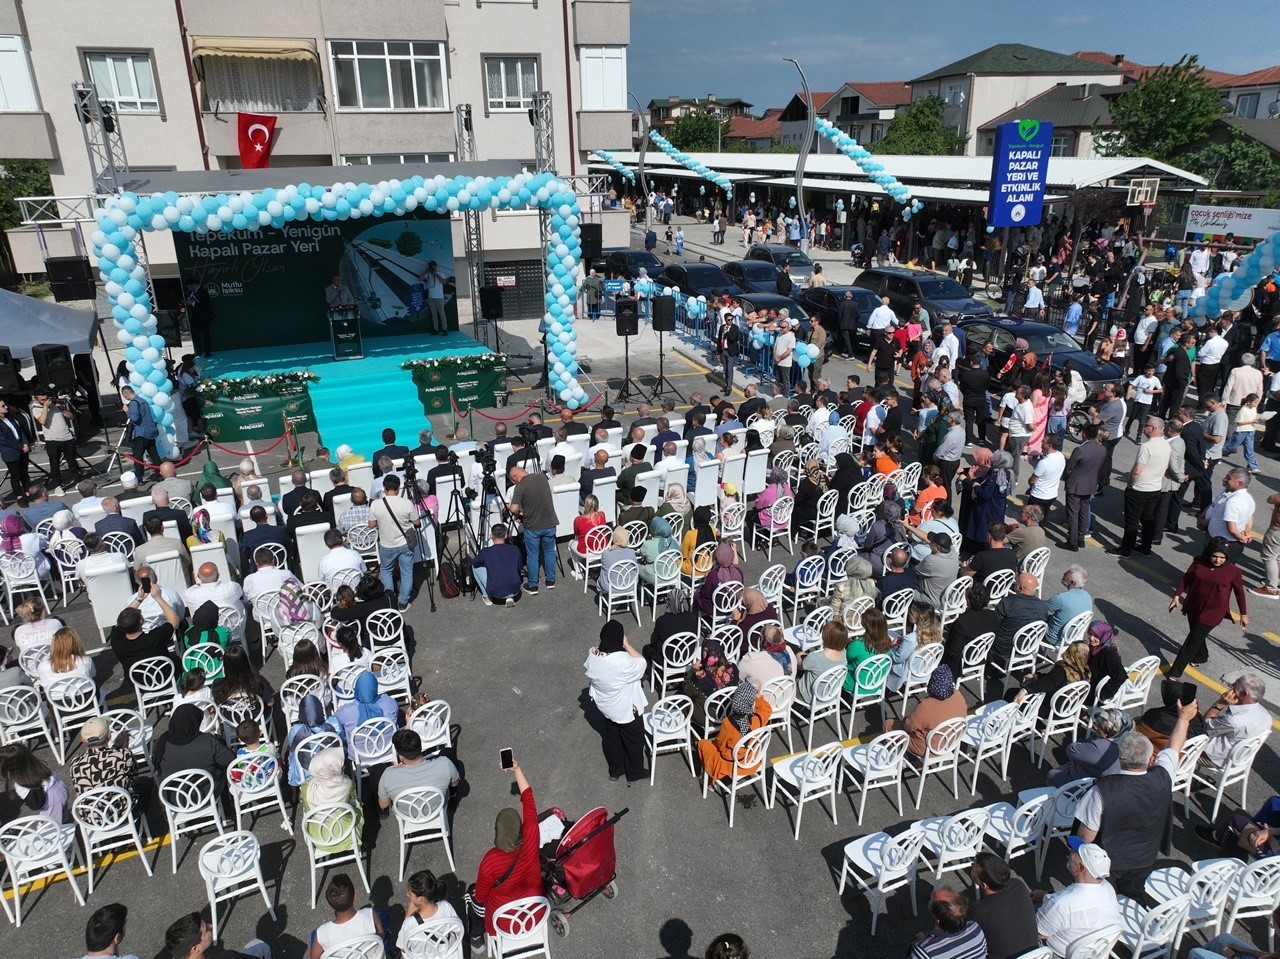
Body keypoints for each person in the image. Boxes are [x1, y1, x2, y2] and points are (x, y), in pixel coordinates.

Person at [1074, 702, 1196, 901]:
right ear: (1151, 760)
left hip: (1107, 859)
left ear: (1119, 757)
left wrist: (1076, 857)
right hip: (1145, 856)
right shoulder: (1164, 776)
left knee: (1097, 898)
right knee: (1133, 896)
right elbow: (1174, 747)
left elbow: (1086, 835)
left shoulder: (1101, 791)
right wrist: (1183, 719)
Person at [466, 757, 544, 952]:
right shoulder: (531, 836)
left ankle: (477, 937)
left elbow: (481, 897)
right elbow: (529, 800)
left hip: (503, 922)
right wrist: (517, 770)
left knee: (471, 894)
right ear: (520, 828)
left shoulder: (490, 861)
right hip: (535, 913)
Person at [1168, 537, 1247, 680]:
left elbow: (1239, 593)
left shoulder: (1233, 571)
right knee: (1196, 633)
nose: (1218, 560)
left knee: (1192, 640)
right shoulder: (1198, 562)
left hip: (1213, 612)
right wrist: (1177, 595)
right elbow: (1187, 578)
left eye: (1222, 557)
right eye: (1215, 556)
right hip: (1194, 605)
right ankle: (1201, 656)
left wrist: (1243, 614)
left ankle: (1175, 672)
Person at [1033, 840, 1122, 959]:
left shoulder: (1061, 903)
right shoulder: (1108, 888)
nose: (1070, 852)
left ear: (1079, 868)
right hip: (1094, 952)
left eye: (1074, 852)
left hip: (1059, 954)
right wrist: (1046, 895)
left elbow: (1039, 932)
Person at [584, 620, 648, 783]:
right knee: (634, 740)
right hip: (624, 708)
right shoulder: (622, 662)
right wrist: (626, 644)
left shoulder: (593, 653)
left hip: (606, 706)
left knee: (612, 737)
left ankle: (615, 770)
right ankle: (634, 772)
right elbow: (642, 663)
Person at [70, 716, 151, 817]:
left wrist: (116, 747)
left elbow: (100, 762)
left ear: (82, 740)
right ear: (109, 735)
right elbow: (134, 776)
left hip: (92, 819)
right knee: (145, 782)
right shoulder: (122, 755)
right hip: (122, 815)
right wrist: (123, 749)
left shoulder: (75, 764)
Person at [696, 680, 770, 785]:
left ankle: (710, 779)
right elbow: (767, 709)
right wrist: (757, 695)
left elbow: (720, 745)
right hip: (752, 760)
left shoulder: (728, 723)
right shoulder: (758, 719)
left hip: (732, 765)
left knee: (702, 744)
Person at [152, 702, 236, 792]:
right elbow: (230, 759)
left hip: (172, 794)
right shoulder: (208, 741)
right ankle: (226, 799)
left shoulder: (161, 742)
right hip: (206, 791)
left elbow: (157, 765)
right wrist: (218, 740)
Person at [971, 852, 1040, 959]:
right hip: (1035, 955)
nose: (972, 867)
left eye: (973, 869)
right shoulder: (1018, 885)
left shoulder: (979, 910)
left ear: (983, 885)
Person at [887, 664, 966, 757]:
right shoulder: (959, 696)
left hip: (929, 749)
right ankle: (918, 763)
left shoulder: (925, 706)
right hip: (951, 742)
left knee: (888, 725)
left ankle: (896, 758)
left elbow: (908, 726)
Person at [368, 473, 421, 611]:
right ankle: (403, 601)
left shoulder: (376, 504)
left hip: (386, 544)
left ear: (384, 488)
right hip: (404, 543)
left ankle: (389, 600)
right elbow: (416, 522)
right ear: (398, 488)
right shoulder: (406, 503)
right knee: (406, 572)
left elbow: (371, 524)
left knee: (386, 571)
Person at [376, 728, 459, 810]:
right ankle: (452, 800)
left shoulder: (388, 775)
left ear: (401, 757)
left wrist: (395, 771)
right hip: (437, 809)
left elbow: (383, 805)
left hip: (407, 814)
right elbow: (455, 783)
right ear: (421, 747)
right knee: (448, 752)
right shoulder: (445, 764)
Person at [1201, 673, 1272, 767]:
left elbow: (1204, 727)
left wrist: (1220, 704)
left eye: (1235, 685)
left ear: (1243, 694)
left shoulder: (1233, 720)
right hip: (1239, 759)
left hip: (1213, 757)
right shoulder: (1266, 715)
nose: (1231, 686)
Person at [310, 873, 386, 959]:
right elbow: (381, 936)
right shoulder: (369, 914)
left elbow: (314, 957)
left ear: (328, 902)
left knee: (315, 935)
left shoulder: (323, 932)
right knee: (384, 914)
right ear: (355, 896)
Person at [1048, 707, 1130, 786]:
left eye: (1098, 725)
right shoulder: (1127, 745)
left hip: (1080, 784)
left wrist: (1093, 738)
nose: (1094, 726)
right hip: (1103, 784)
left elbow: (1071, 749)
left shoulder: (1098, 747)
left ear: (1106, 734)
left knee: (1052, 774)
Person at [507, 466, 556, 595]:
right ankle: (550, 580)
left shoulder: (520, 486)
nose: (514, 483)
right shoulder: (542, 477)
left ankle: (533, 585)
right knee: (549, 552)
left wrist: (519, 514)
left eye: (513, 481)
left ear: (515, 477)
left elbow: (513, 509)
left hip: (533, 526)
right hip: (550, 523)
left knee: (533, 556)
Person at [991, 574, 1049, 677]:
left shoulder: (1007, 602)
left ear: (1020, 588)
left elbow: (993, 623)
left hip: (1004, 648)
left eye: (1016, 582)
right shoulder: (1043, 606)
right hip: (1028, 646)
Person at [909, 887, 987, 959]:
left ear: (938, 920)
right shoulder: (975, 929)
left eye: (932, 899)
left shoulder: (924, 952)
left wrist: (921, 941)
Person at [396, 870, 459, 956]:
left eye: (410, 894)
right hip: (448, 951)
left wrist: (407, 915)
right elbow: (458, 929)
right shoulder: (446, 906)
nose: (407, 894)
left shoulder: (409, 922)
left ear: (420, 899)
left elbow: (402, 946)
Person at [333, 670, 398, 755]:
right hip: (389, 750)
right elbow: (396, 710)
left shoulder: (347, 711)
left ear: (357, 688)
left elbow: (336, 719)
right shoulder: (388, 702)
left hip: (360, 756)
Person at [471, 523, 523, 606]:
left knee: (475, 566)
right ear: (506, 536)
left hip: (495, 592)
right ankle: (509, 596)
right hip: (515, 590)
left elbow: (474, 562)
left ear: (491, 536)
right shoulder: (515, 549)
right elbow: (519, 566)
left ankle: (486, 596)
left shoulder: (486, 551)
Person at [1045, 565, 1093, 648]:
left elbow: (1043, 607)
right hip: (1073, 637)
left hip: (1055, 638)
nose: (1063, 574)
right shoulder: (1087, 596)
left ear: (1072, 582)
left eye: (1066, 574)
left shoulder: (1061, 598)